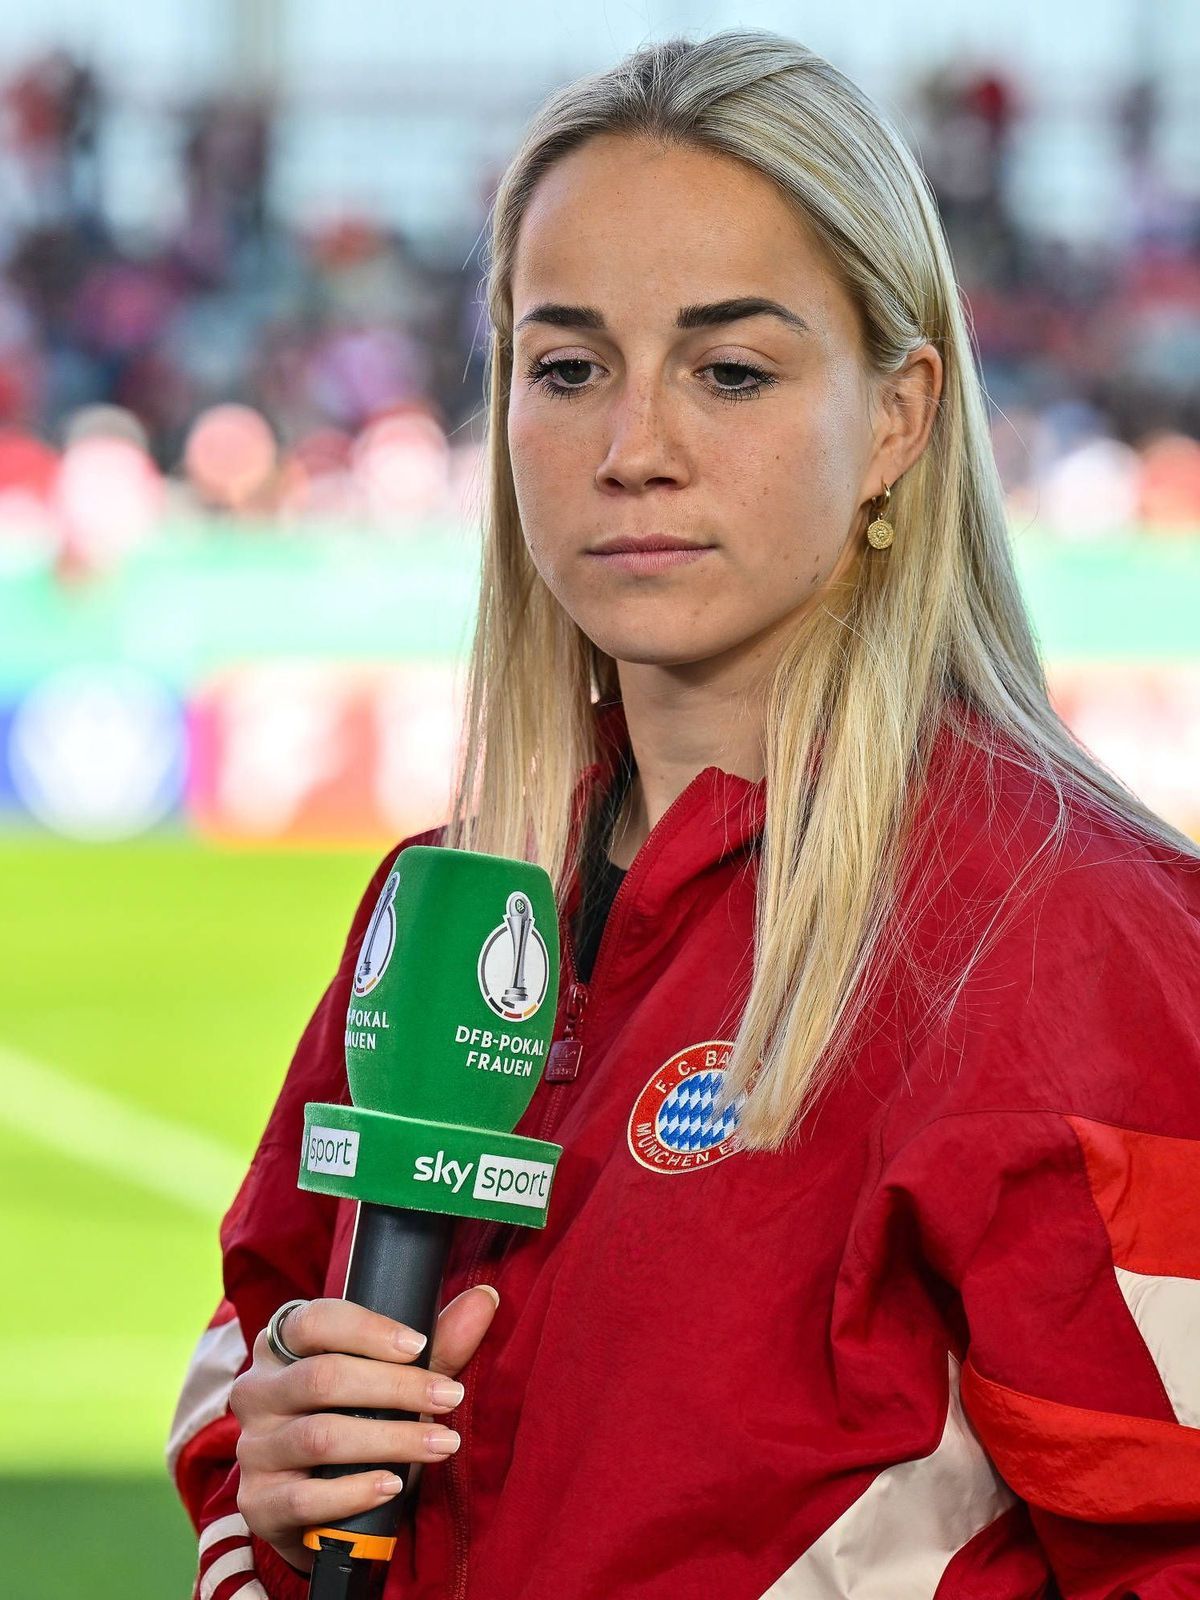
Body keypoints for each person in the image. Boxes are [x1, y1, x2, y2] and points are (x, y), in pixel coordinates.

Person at [168, 30, 1200, 1600]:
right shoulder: (449, 906)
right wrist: (287, 1475)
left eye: (730, 370)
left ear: (901, 416)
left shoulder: (1074, 934)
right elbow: (248, 1387)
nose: (632, 450)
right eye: (566, 367)